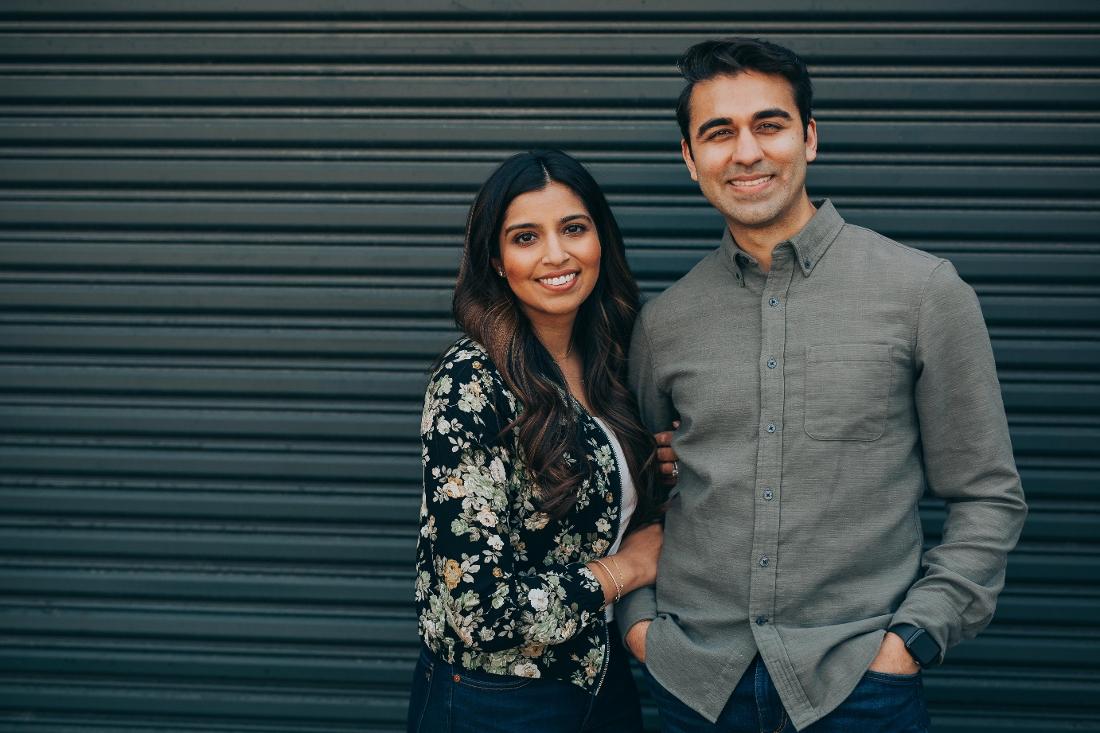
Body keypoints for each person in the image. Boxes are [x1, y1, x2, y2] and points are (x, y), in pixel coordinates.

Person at [618, 38, 1029, 732]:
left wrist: (914, 639)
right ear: (690, 159)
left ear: (809, 137)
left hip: (859, 687)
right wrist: (641, 629)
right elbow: (642, 497)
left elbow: (988, 493)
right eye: (718, 133)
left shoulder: (924, 291)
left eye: (769, 124)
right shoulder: (664, 323)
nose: (745, 152)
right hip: (697, 687)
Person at [407, 149, 668, 732]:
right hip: (497, 697)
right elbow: (480, 610)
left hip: (602, 682)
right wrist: (625, 570)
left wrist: (668, 464)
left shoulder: (613, 361)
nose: (556, 254)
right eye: (526, 237)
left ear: (601, 238)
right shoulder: (471, 382)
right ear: (497, 261)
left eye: (574, 228)